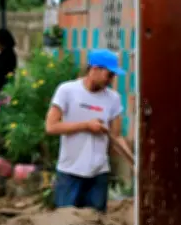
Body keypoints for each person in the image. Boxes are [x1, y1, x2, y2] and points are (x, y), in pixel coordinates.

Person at [45, 49, 132, 212]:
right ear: (95, 69)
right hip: (69, 171)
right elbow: (51, 126)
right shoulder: (67, 90)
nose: (111, 80)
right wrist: (86, 126)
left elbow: (116, 136)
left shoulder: (113, 98)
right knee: (65, 224)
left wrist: (133, 162)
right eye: (109, 74)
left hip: (98, 173)